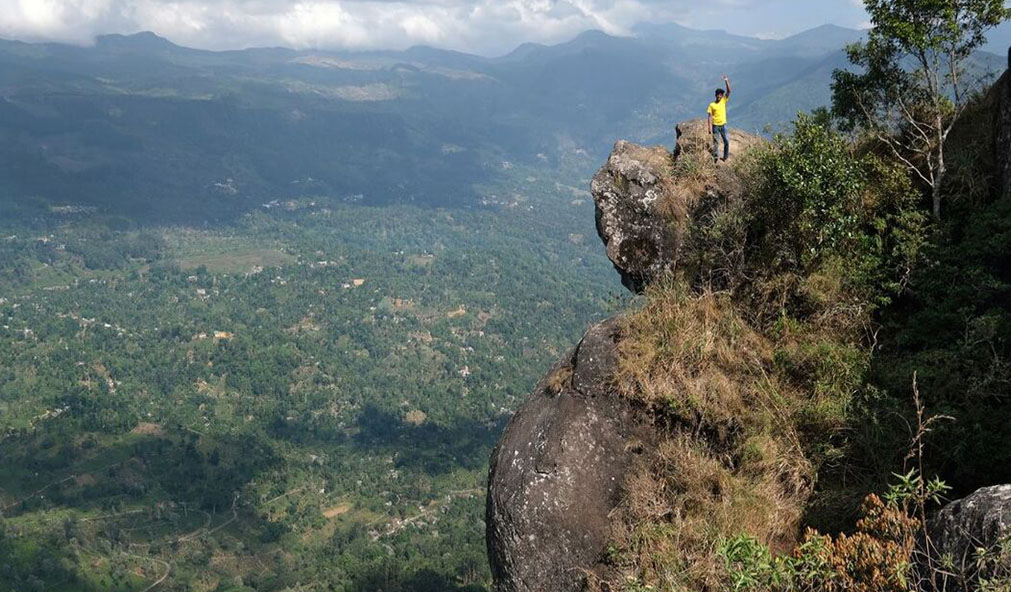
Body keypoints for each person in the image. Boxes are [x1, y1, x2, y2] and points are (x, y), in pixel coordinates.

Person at [707, 75, 731, 163]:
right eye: (718, 94)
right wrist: (709, 128)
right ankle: (716, 158)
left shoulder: (723, 100)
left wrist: (726, 81)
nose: (719, 96)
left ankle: (725, 157)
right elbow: (709, 117)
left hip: (723, 125)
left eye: (721, 94)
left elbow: (729, 91)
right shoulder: (711, 105)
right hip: (715, 126)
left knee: (726, 141)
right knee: (716, 143)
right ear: (716, 95)